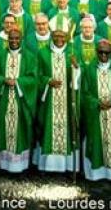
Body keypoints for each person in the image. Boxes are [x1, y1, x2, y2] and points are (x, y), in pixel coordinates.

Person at [0, 30, 37, 173]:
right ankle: (4, 164)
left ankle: (20, 164)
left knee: (21, 128)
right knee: (4, 127)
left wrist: (18, 82)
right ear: (7, 39)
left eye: (17, 38)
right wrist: (3, 80)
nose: (14, 41)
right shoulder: (0, 56)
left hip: (21, 100)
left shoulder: (29, 57)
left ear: (21, 39)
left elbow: (34, 78)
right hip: (4, 99)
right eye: (11, 38)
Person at [34, 29, 79, 172]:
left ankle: (66, 166)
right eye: (56, 35)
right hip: (49, 99)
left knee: (67, 128)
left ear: (66, 37)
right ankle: (47, 165)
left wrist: (76, 68)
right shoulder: (43, 53)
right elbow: (37, 75)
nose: (59, 38)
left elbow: (78, 76)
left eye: (62, 36)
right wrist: (48, 81)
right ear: (51, 36)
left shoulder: (72, 53)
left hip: (67, 99)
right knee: (47, 127)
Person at [82, 40, 111, 180]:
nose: (103, 55)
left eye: (107, 52)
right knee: (96, 141)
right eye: (100, 52)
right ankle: (95, 174)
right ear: (96, 52)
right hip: (95, 113)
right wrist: (96, 103)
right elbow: (85, 93)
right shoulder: (89, 69)